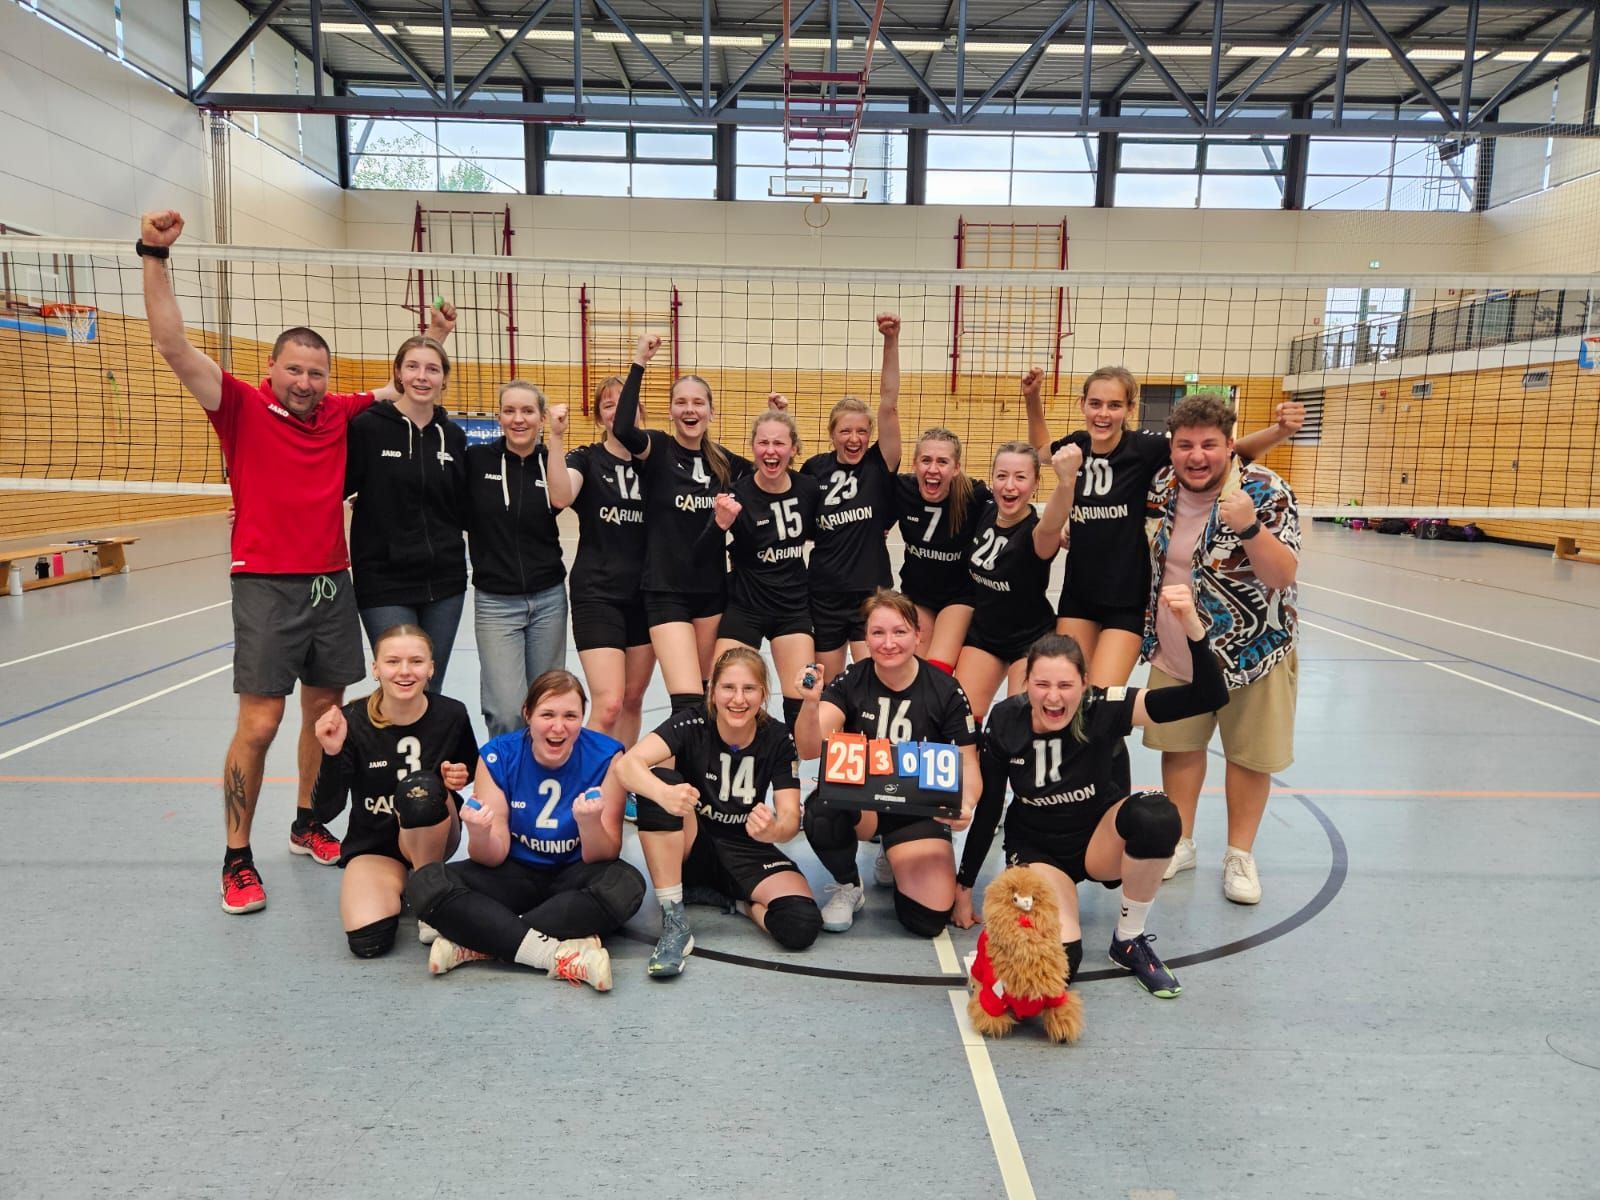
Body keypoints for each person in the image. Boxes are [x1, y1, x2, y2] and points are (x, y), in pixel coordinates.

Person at [139, 208, 452, 915]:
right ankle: (236, 857)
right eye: (295, 370)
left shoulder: (339, 413)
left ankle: (308, 821)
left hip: (331, 584)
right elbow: (171, 344)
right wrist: (153, 255)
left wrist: (434, 338)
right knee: (259, 723)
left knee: (324, 715)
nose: (306, 382)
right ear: (271, 370)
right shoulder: (238, 405)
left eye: (317, 372)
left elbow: (407, 385)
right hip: (264, 584)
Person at [956, 588, 1228, 998]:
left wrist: (1192, 625)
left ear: (1084, 684)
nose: (1053, 696)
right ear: (1026, 683)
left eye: (1066, 685)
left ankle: (1129, 940)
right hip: (1039, 852)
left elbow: (1209, 696)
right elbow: (991, 805)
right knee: (1060, 966)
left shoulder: (1103, 706)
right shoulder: (1006, 720)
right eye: (1041, 684)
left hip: (1100, 842)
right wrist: (964, 885)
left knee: (1157, 816)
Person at [1024, 366, 1303, 688]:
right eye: (1095, 404)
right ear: (1082, 404)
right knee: (1069, 688)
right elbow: (1041, 450)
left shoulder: (1146, 447)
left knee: (1099, 699)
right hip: (1079, 591)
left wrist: (1280, 431)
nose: (1103, 414)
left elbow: (1226, 452)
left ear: (1130, 409)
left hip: (1126, 598)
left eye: (1115, 405)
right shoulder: (1077, 446)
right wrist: (1032, 398)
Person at [1141, 391, 1302, 905]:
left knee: (1249, 757)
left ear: (1230, 445)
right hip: (1177, 650)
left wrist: (1249, 527)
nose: (1196, 456)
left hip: (1254, 651)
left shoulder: (1266, 490)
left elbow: (1282, 575)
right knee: (1179, 747)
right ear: (1172, 448)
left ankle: (1239, 854)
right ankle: (1181, 842)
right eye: (1185, 445)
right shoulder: (1162, 486)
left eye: (1209, 445)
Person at [403, 670, 646, 991]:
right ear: (527, 714)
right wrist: (479, 832)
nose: (558, 727)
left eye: (570, 716)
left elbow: (605, 853)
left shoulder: (607, 755)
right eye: (547, 715)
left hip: (575, 874)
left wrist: (589, 824)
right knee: (425, 883)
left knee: (626, 885)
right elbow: (492, 856)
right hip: (512, 873)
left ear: (582, 718)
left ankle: (478, 941)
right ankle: (554, 954)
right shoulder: (498, 755)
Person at [620, 647, 821, 977]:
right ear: (712, 691)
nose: (738, 699)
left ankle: (735, 901)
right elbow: (627, 765)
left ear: (763, 694)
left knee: (801, 924)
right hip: (692, 842)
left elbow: (789, 819)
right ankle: (674, 920)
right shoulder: (692, 722)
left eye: (749, 689)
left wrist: (773, 830)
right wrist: (663, 793)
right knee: (660, 783)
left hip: (746, 847)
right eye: (729, 688)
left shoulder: (777, 737)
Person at [793, 589, 981, 936]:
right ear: (866, 637)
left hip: (917, 809)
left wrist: (965, 804)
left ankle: (894, 850)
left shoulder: (946, 690)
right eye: (878, 633)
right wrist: (809, 703)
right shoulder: (852, 680)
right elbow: (809, 749)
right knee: (821, 810)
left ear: (918, 635)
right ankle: (849, 885)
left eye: (899, 632)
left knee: (926, 920)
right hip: (865, 807)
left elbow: (968, 763)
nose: (888, 643)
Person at [309, 625, 479, 958]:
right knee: (368, 941)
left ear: (431, 668)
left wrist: (458, 775)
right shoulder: (351, 720)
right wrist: (331, 753)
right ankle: (404, 883)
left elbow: (469, 767)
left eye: (416, 661)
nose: (404, 671)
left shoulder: (452, 713)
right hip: (375, 844)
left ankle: (429, 887)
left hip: (433, 836)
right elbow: (325, 811)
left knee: (421, 790)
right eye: (392, 661)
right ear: (376, 669)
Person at [611, 334, 752, 715]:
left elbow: (770, 475)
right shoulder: (657, 449)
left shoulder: (725, 462)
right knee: (686, 701)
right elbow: (623, 428)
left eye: (698, 403)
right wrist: (639, 361)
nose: (690, 410)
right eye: (682, 402)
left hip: (711, 591)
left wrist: (777, 418)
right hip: (665, 590)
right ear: (671, 411)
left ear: (711, 411)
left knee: (708, 697)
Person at [345, 333, 469, 690]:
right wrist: (259, 508)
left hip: (445, 582)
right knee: (401, 686)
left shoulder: (453, 436)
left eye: (432, 369)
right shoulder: (367, 428)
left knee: (430, 686)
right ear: (398, 373)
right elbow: (327, 488)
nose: (421, 377)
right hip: (384, 580)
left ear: (444, 378)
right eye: (412, 367)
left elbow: (465, 505)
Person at [544, 377, 654, 749]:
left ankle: (618, 778)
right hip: (598, 594)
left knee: (633, 700)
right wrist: (555, 438)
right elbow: (560, 496)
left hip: (647, 595)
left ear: (640, 411)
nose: (618, 411)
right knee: (609, 704)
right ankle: (586, 775)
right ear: (598, 417)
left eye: (626, 403)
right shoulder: (587, 458)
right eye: (609, 405)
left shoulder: (656, 460)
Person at [798, 313, 903, 681]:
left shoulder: (879, 463)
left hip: (870, 592)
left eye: (861, 431)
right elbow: (800, 520)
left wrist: (890, 340)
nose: (854, 438)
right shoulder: (814, 468)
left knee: (873, 680)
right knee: (827, 685)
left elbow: (889, 402)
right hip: (824, 592)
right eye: (845, 431)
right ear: (832, 434)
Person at [464, 381, 569, 737]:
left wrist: (557, 438)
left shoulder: (551, 462)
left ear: (541, 417)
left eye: (527, 411)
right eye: (509, 411)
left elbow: (563, 499)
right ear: (499, 417)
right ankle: (506, 771)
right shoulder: (477, 460)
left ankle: (541, 769)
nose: (518, 419)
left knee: (547, 705)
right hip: (496, 602)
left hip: (549, 599)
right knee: (508, 711)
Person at [709, 409, 820, 740]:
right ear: (753, 447)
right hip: (746, 606)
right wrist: (719, 526)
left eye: (779, 443)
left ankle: (790, 760)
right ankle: (734, 753)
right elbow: (701, 550)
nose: (771, 451)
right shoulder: (737, 493)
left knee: (803, 694)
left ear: (793, 448)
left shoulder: (809, 489)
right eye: (763, 443)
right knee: (720, 688)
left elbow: (828, 534)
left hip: (792, 608)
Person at [952, 441, 1078, 723]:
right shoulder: (984, 511)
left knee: (1021, 721)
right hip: (984, 635)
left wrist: (1066, 482)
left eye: (1020, 477)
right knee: (961, 719)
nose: (1009, 486)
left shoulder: (1036, 534)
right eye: (1002, 476)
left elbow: (1052, 524)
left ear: (1035, 483)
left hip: (1030, 641)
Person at [893, 427, 990, 671]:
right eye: (926, 460)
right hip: (918, 595)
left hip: (959, 597)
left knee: (937, 668)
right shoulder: (902, 489)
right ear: (915, 464)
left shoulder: (975, 496)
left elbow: (1012, 519)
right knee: (914, 669)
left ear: (956, 468)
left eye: (942, 462)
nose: (933, 469)